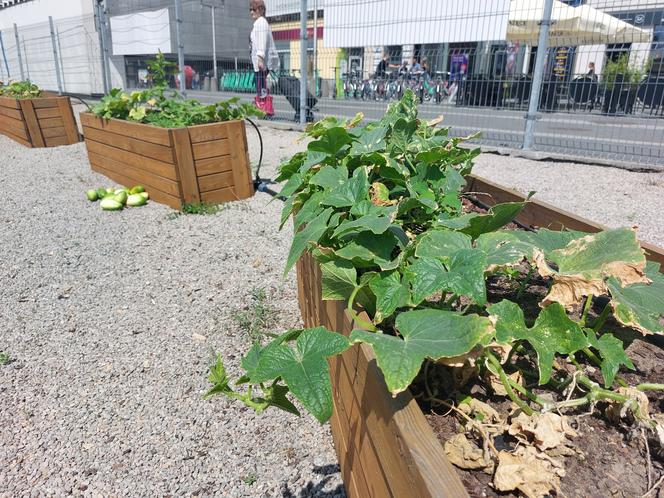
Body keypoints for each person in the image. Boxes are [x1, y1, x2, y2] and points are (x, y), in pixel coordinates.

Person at [249, 0, 279, 101]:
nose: (251, 12)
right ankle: (264, 109)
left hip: (261, 65)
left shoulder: (260, 22)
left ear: (261, 10)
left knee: (262, 88)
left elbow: (261, 41)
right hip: (261, 64)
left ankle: (265, 110)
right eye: (250, 9)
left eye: (254, 9)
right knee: (262, 88)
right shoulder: (260, 22)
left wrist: (260, 59)